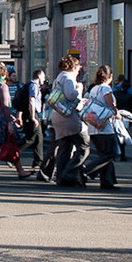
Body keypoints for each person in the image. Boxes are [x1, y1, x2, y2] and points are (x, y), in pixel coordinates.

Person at [48, 54, 90, 187]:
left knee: (64, 148)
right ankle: (69, 173)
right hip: (69, 117)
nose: (78, 72)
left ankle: (61, 177)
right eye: (78, 69)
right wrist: (79, 88)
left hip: (57, 116)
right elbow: (71, 95)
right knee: (84, 146)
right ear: (74, 67)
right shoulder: (68, 78)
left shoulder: (58, 78)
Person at [82, 65, 121, 190]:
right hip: (104, 126)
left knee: (103, 154)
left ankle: (107, 181)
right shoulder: (105, 89)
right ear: (110, 77)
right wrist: (118, 113)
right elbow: (110, 105)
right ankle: (87, 170)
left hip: (93, 126)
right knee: (110, 153)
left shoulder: (94, 89)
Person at [19, 69, 45, 171]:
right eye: (43, 77)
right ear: (38, 77)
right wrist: (33, 117)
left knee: (39, 137)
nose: (44, 79)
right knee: (31, 138)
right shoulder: (34, 85)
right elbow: (31, 101)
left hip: (32, 113)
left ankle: (38, 161)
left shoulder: (33, 85)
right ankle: (13, 152)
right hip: (31, 114)